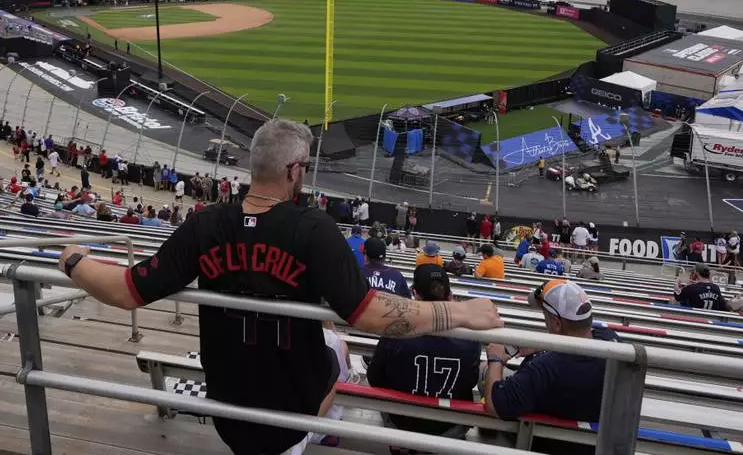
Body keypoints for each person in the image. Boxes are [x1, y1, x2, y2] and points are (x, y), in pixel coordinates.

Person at [56, 119, 501, 455]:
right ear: (293, 170)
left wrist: (74, 260)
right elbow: (368, 313)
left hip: (228, 404)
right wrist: (458, 312)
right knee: (336, 357)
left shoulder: (205, 224)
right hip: (292, 409)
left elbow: (125, 290)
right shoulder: (314, 228)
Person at [368, 264, 482, 438]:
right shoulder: (470, 337)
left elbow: (374, 378)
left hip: (401, 422)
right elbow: (470, 382)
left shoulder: (395, 331)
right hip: (449, 425)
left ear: (415, 294)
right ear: (450, 296)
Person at [484, 280, 618, 425]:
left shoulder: (544, 368)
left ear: (557, 323)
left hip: (533, 433)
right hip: (593, 430)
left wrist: (496, 359)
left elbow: (494, 406)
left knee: (484, 371)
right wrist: (540, 346)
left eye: (545, 314)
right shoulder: (610, 340)